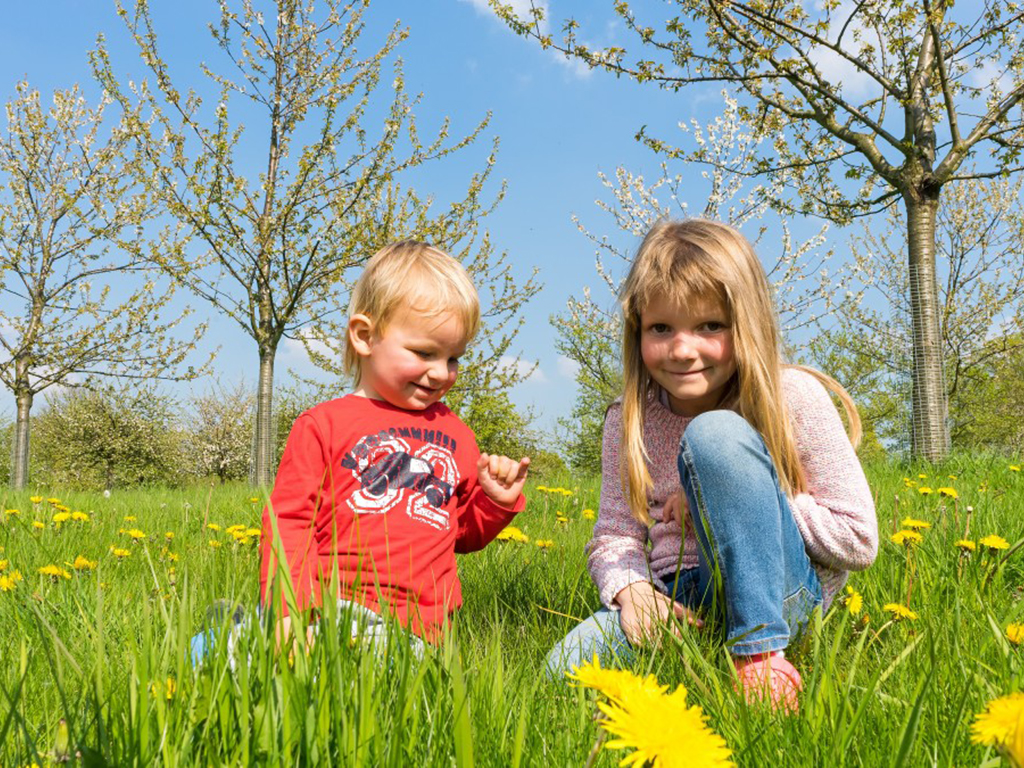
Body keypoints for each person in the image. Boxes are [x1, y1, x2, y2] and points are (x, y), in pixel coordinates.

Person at [545, 220, 877, 711]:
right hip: (679, 598)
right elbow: (615, 536)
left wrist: (735, 492)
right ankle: (707, 646)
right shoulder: (627, 418)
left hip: (781, 594)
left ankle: (760, 655)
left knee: (716, 435)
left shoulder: (794, 397)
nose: (683, 350)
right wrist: (634, 591)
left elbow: (858, 540)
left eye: (710, 326)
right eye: (661, 328)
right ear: (637, 329)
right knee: (565, 670)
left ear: (747, 323)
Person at [194, 241, 529, 663]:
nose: (441, 373)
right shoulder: (323, 425)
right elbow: (289, 523)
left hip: (419, 630)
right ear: (365, 336)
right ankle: (233, 634)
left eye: (453, 358)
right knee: (248, 665)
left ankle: (242, 627)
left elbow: (460, 534)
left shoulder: (457, 436)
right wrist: (289, 612)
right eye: (425, 353)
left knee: (386, 680)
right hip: (327, 609)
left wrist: (495, 503)